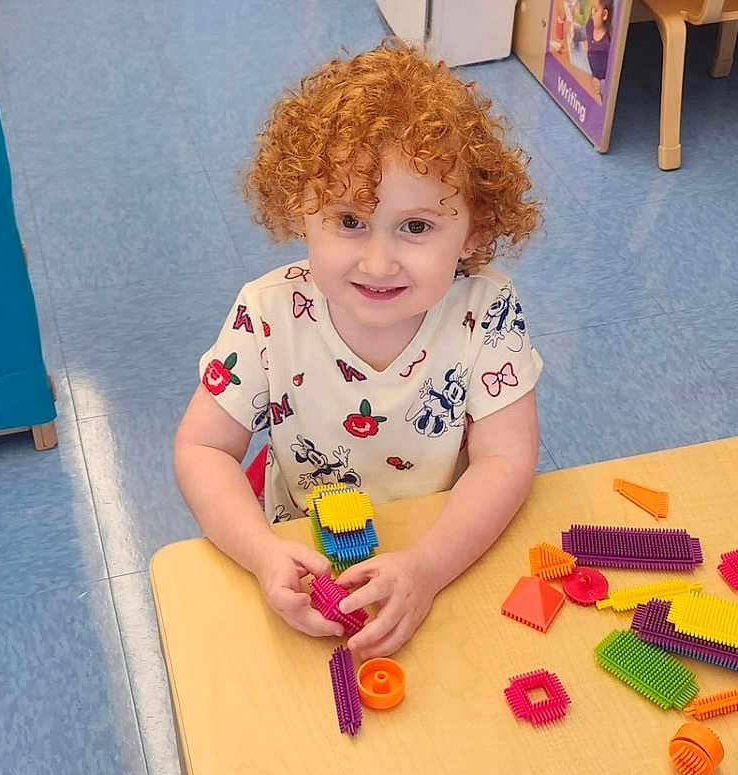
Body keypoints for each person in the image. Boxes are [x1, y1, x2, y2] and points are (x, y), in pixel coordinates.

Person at [174, 42, 543, 660]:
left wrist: (427, 566)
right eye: (349, 221)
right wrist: (263, 553)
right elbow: (203, 446)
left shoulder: (488, 311)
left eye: (417, 227)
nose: (378, 261)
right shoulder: (267, 313)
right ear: (301, 212)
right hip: (308, 554)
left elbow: (506, 460)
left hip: (445, 545)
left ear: (474, 229)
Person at [574, 0, 613, 103]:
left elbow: (612, 69)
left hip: (601, 80)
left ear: (604, 15)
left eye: (595, 10)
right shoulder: (590, 24)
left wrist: (601, 83)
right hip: (589, 70)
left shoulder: (607, 43)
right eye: (592, 9)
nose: (592, 14)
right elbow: (584, 34)